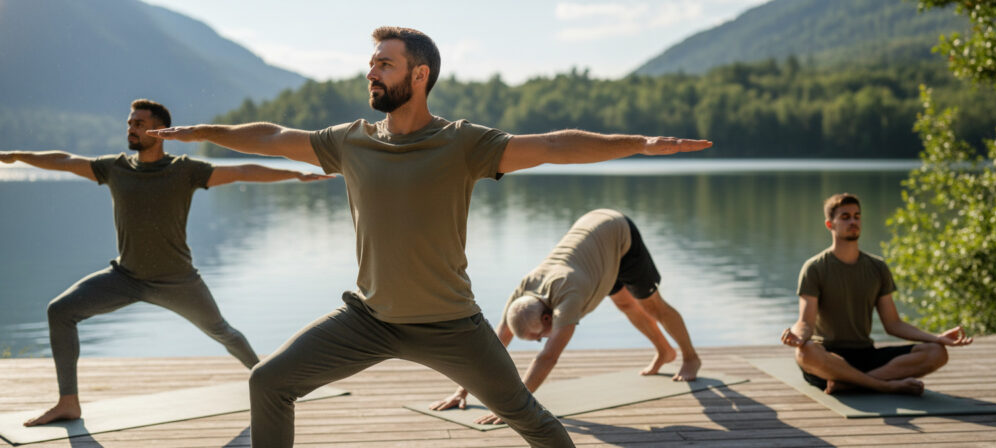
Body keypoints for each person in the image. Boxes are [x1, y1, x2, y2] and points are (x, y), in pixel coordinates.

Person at [149, 26, 712, 448]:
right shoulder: (350, 141)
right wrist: (202, 133)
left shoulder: (464, 143)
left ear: (419, 76)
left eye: (385, 65)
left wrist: (638, 141)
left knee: (528, 417)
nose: (372, 73)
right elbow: (273, 135)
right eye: (371, 64)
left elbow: (554, 145)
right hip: (368, 319)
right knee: (269, 381)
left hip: (450, 326)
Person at [0, 99, 331, 427]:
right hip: (126, 277)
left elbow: (241, 171)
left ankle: (269, 383)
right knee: (60, 311)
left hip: (178, 282)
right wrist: (15, 156)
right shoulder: (114, 168)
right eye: (129, 123)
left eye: (139, 123)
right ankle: (68, 403)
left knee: (224, 333)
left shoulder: (184, 170)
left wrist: (296, 174)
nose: (131, 129)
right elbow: (66, 160)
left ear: (159, 131)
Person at [430, 208, 702, 424]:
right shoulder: (523, 294)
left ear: (549, 319)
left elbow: (547, 356)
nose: (541, 341)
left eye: (538, 337)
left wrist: (516, 409)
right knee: (626, 305)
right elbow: (492, 350)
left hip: (618, 234)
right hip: (595, 254)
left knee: (652, 305)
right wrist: (461, 391)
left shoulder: (568, 298)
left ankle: (691, 357)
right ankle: (665, 351)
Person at [780, 193, 973, 396]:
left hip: (866, 355)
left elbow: (893, 324)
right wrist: (797, 336)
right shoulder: (815, 268)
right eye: (845, 217)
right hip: (829, 357)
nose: (853, 221)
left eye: (857, 216)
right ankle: (884, 385)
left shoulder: (877, 267)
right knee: (806, 352)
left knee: (937, 352)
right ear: (830, 224)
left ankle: (852, 383)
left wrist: (937, 338)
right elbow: (806, 322)